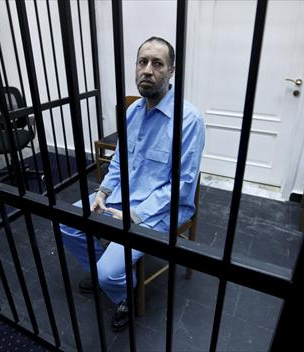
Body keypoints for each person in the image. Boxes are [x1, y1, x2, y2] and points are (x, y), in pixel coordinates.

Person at [61, 36, 205, 331]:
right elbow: (119, 162)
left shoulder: (189, 120)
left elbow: (182, 185)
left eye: (157, 63)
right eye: (142, 62)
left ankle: (120, 291)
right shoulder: (132, 112)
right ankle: (109, 273)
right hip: (122, 197)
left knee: (109, 274)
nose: (147, 70)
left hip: (161, 211)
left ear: (171, 71)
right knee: (67, 222)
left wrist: (134, 216)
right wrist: (103, 192)